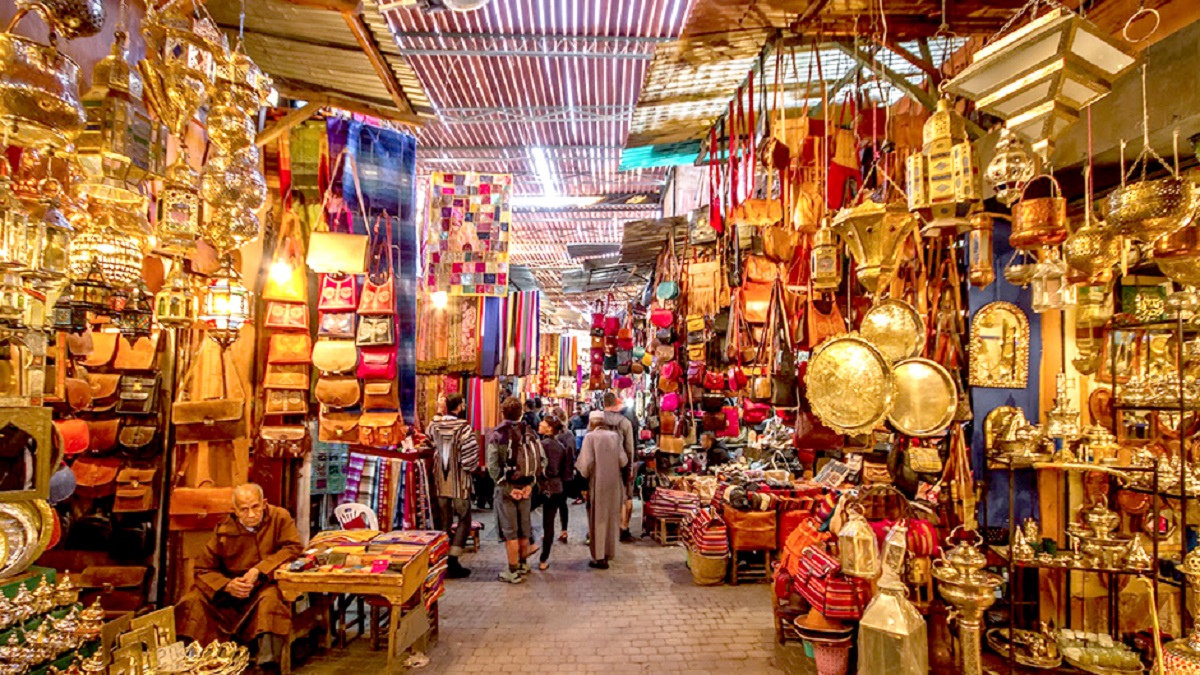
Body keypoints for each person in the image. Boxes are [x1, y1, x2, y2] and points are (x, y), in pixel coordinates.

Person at [175, 484, 303, 675]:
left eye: (255, 507)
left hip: (263, 586)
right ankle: (190, 662)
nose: (251, 514)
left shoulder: (279, 518)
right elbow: (203, 568)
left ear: (264, 503)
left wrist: (259, 570)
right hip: (230, 594)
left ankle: (267, 665)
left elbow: (293, 548)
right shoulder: (224, 528)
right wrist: (227, 586)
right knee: (191, 601)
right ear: (234, 510)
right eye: (244, 509)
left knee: (270, 603)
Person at [487, 396, 544, 583]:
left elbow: (493, 466)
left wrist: (506, 487)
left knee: (510, 531)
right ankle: (523, 564)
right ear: (521, 412)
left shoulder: (497, 435)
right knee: (523, 529)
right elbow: (541, 461)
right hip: (526, 488)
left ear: (503, 412)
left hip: (506, 490)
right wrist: (530, 485)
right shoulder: (530, 432)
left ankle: (512, 571)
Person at [423, 393, 479, 579]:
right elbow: (470, 456)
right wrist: (469, 469)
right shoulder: (463, 428)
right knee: (464, 519)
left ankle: (442, 557)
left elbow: (428, 441)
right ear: (461, 406)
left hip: (440, 479)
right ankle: (453, 559)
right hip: (459, 481)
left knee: (444, 520)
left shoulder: (434, 425)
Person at [576, 411, 628, 569]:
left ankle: (599, 557)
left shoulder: (590, 438)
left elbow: (585, 464)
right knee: (612, 517)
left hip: (597, 483)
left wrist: (583, 486)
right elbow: (623, 460)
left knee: (598, 519)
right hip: (614, 484)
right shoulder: (615, 436)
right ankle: (609, 552)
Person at [536, 415, 573, 569]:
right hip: (556, 487)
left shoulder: (540, 445)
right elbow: (566, 471)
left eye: (543, 422)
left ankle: (524, 552)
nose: (540, 423)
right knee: (548, 524)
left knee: (524, 517)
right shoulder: (561, 447)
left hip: (540, 487)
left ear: (549, 428)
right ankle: (543, 560)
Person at [602, 392, 636, 542]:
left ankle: (606, 528)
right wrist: (630, 466)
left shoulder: (598, 421)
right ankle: (623, 527)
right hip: (621, 463)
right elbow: (630, 448)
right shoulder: (625, 422)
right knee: (625, 496)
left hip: (603, 464)